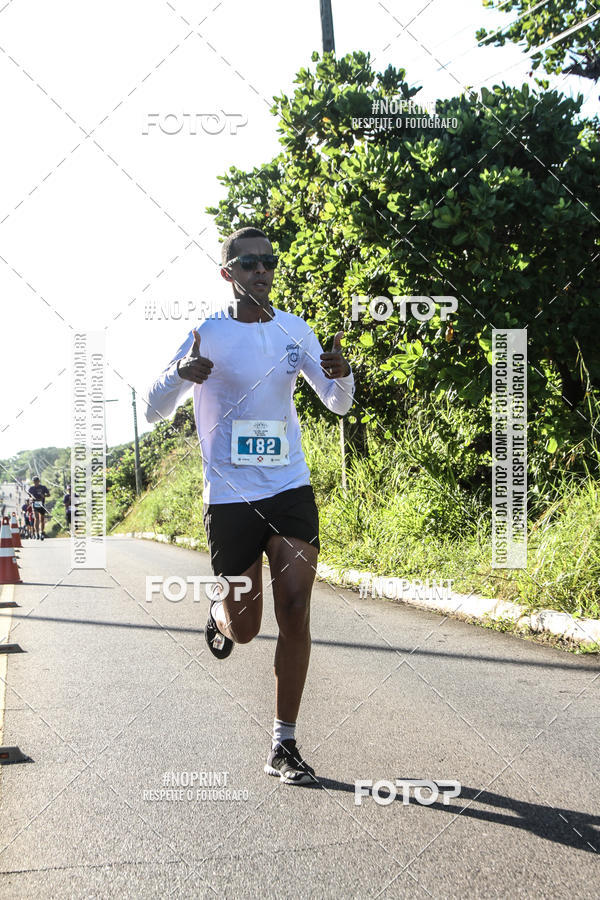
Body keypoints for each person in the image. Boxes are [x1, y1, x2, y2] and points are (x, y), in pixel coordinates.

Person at [146, 226, 354, 784]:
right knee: (246, 627)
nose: (261, 270)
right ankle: (218, 615)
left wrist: (343, 374)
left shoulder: (296, 330)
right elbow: (152, 410)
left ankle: (284, 743)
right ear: (227, 273)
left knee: (295, 604)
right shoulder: (206, 334)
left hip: (288, 488)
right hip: (231, 498)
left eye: (268, 261)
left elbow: (335, 404)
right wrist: (177, 378)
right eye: (248, 263)